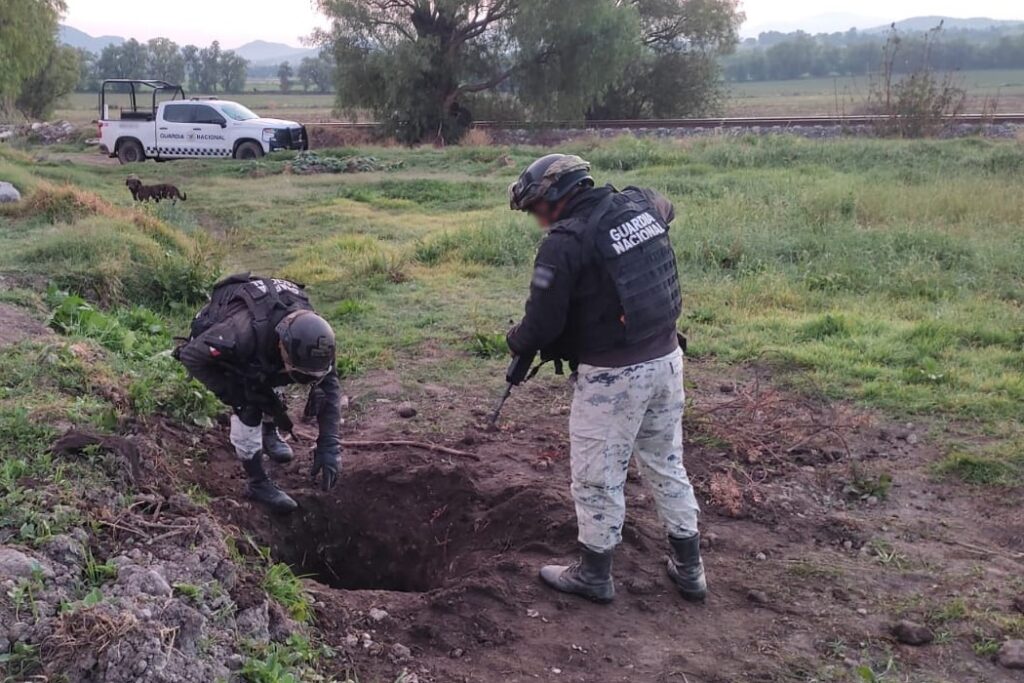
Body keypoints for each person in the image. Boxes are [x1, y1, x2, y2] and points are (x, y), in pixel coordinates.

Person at [506, 154, 706, 604]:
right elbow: (664, 209)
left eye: (538, 208)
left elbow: (540, 326)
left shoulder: (565, 242)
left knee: (596, 476)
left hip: (614, 377)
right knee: (666, 462)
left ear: (558, 195)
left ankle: (595, 573)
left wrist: (515, 342)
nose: (538, 220)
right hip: (667, 359)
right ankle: (690, 569)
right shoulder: (639, 205)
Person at [177, 274, 342, 513]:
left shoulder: (315, 337)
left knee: (273, 377)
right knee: (250, 401)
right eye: (301, 374)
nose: (304, 381)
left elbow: (330, 385)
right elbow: (191, 355)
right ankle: (257, 482)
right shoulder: (238, 333)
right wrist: (232, 394)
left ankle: (269, 431)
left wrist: (329, 444)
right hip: (222, 344)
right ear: (281, 346)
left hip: (266, 344)